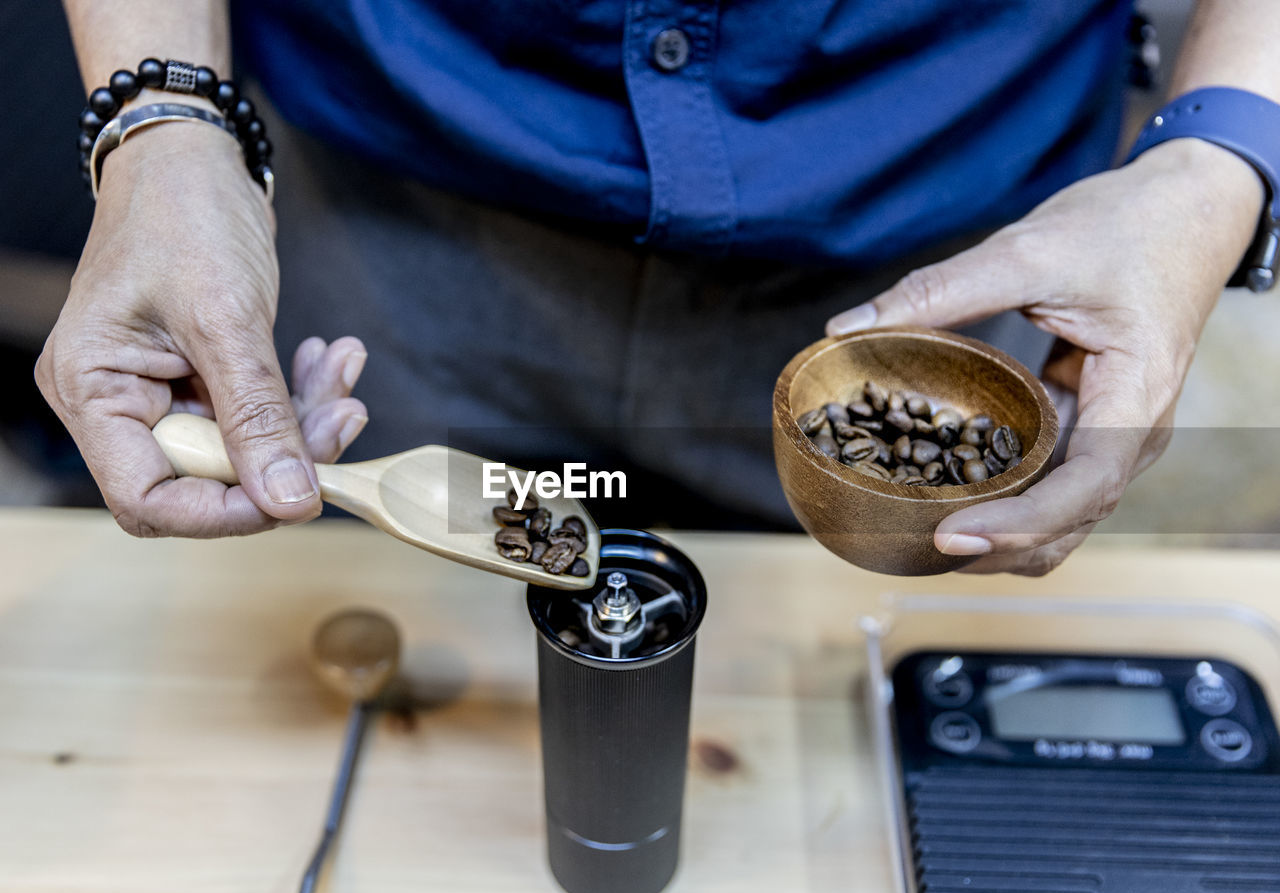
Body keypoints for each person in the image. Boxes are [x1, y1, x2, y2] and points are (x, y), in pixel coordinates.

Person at [38, 0, 1277, 574]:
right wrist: (164, 113)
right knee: (381, 613)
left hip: (934, 259)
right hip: (397, 208)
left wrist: (1213, 167)